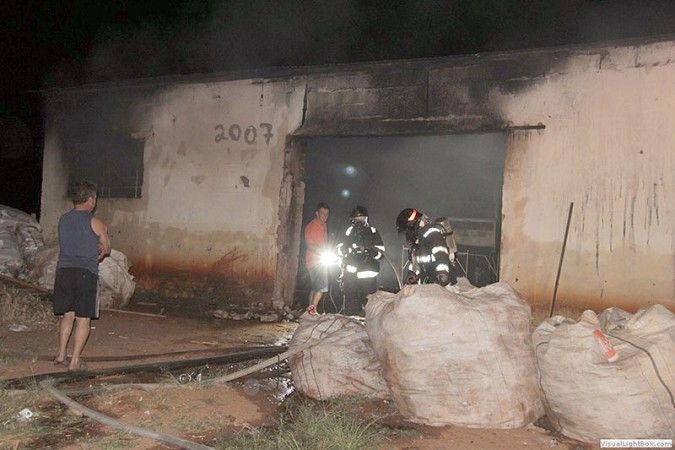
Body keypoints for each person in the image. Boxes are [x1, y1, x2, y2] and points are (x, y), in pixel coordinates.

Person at [53, 181, 110, 371]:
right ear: (91, 199)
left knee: (67, 315)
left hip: (64, 272)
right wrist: (100, 249)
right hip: (85, 273)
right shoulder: (95, 222)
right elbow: (106, 249)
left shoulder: (63, 219)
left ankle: (61, 355)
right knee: (83, 319)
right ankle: (75, 361)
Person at [335, 206, 385, 315]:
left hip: (368, 274)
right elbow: (338, 249)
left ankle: (369, 321)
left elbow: (381, 253)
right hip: (351, 274)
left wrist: (369, 251)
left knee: (370, 306)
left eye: (362, 219)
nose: (359, 223)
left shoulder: (373, 231)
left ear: (366, 219)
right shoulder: (348, 232)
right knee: (351, 305)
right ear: (352, 220)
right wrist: (346, 249)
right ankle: (351, 320)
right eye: (357, 220)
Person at [396, 207, 457, 287]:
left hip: (442, 284)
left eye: (407, 231)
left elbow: (441, 253)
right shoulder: (418, 242)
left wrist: (442, 273)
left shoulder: (432, 233)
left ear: (411, 225)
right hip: (428, 284)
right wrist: (412, 274)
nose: (407, 235)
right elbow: (415, 262)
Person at [304, 202, 330, 315]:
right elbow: (310, 245)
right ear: (317, 213)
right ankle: (312, 311)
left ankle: (310, 310)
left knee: (315, 287)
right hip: (316, 261)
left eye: (327, 214)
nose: (325, 216)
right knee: (321, 287)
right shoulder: (312, 226)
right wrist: (323, 253)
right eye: (322, 213)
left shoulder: (324, 225)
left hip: (318, 261)